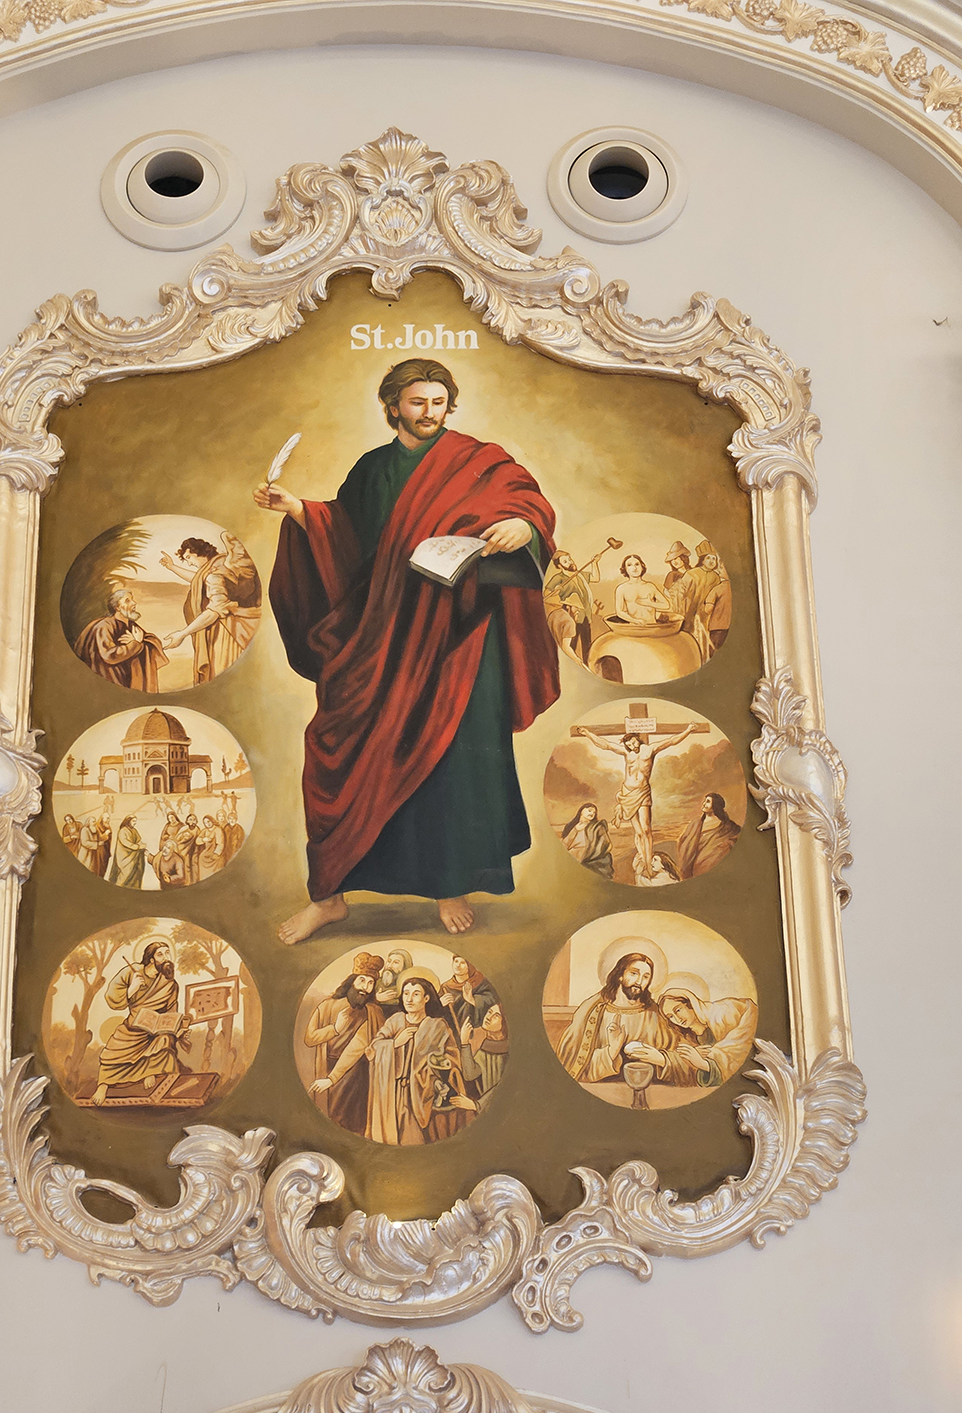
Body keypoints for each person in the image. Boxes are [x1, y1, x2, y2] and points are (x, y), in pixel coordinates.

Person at [256, 358, 560, 943]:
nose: (429, 413)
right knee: (338, 750)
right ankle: (330, 898)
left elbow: (528, 505)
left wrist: (523, 528)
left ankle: (450, 885)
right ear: (393, 406)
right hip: (383, 630)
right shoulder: (373, 468)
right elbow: (345, 535)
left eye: (438, 402)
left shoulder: (479, 460)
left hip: (460, 635)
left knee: (450, 759)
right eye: (418, 402)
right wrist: (299, 511)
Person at [312, 973, 476, 1144]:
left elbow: (452, 1060)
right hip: (390, 1094)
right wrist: (395, 1043)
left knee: (414, 1141)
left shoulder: (437, 1026)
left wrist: (435, 1075)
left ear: (426, 998)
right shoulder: (395, 1021)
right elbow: (372, 1050)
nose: (409, 999)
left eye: (416, 994)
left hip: (420, 1096)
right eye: (406, 993)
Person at [574, 723, 698, 881]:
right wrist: (587, 733)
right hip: (628, 793)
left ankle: (648, 862)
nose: (632, 746)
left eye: (633, 742)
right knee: (638, 832)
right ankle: (644, 862)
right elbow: (605, 745)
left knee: (646, 829)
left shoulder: (651, 749)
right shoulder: (627, 753)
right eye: (629, 745)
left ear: (637, 739)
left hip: (643, 792)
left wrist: (688, 730)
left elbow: (671, 741)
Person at [557, 952, 685, 1086]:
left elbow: (685, 1058)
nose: (639, 981)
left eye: (646, 977)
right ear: (620, 975)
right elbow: (574, 1067)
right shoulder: (592, 1011)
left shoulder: (655, 1014)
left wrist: (662, 1059)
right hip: (603, 1089)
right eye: (634, 973)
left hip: (651, 1088)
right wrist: (611, 1051)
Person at [91, 942, 190, 1105]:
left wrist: (177, 1030)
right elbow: (112, 1000)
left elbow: (171, 1011)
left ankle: (150, 1071)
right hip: (132, 1028)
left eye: (168, 953)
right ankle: (103, 1086)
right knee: (111, 1055)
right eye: (160, 954)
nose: (166, 958)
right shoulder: (131, 972)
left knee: (166, 1041)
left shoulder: (170, 984)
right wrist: (132, 988)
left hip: (156, 1032)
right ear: (151, 959)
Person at [302, 952, 386, 1134]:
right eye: (362, 981)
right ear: (352, 981)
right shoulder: (326, 1006)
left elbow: (359, 1046)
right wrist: (335, 1029)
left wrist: (332, 1079)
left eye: (370, 983)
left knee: (354, 1122)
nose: (365, 988)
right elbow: (310, 1038)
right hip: (327, 1068)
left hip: (358, 1074)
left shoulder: (374, 1012)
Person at [160, 537, 261, 682]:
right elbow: (199, 579)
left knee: (220, 674)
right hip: (229, 629)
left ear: (199, 552)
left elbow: (214, 611)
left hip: (226, 633)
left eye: (189, 557)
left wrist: (182, 634)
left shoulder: (214, 573)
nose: (189, 563)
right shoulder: (219, 564)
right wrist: (172, 567)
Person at [657, 985, 757, 1088]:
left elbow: (740, 1045)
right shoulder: (689, 1039)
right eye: (671, 1016)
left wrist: (703, 1063)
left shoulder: (723, 1013)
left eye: (678, 1010)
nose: (678, 1019)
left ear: (690, 1003)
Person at [72, 587, 168, 690]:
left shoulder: (131, 625)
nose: (134, 603)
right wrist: (135, 643)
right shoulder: (105, 626)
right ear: (117, 607)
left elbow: (149, 642)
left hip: (126, 680)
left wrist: (139, 643)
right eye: (127, 601)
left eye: (132, 599)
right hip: (110, 680)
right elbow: (110, 655)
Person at [440, 954, 501, 1096]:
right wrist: (440, 1004)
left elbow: (494, 1003)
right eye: (456, 961)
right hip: (453, 1034)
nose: (458, 965)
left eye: (463, 962)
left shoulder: (481, 983)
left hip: (475, 1034)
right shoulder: (446, 987)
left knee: (473, 1069)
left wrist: (473, 1000)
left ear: (470, 966)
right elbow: (437, 1015)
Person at [669, 543, 729, 661]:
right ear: (702, 560)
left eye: (714, 559)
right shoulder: (691, 574)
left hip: (708, 617)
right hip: (689, 614)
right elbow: (679, 593)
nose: (711, 561)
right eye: (708, 558)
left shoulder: (716, 577)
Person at [544, 549, 599, 662]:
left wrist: (594, 563)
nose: (570, 562)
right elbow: (546, 594)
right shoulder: (559, 578)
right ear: (560, 566)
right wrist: (556, 589)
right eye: (565, 561)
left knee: (587, 644)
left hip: (585, 614)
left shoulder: (580, 575)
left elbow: (596, 578)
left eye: (569, 559)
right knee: (571, 644)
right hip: (571, 614)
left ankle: (587, 666)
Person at [677, 792, 741, 880]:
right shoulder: (695, 823)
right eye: (704, 801)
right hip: (691, 863)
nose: (704, 803)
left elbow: (737, 837)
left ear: (715, 805)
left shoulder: (726, 826)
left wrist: (723, 847)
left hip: (708, 865)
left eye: (708, 801)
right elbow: (683, 840)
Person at [462, 1001, 509, 1103]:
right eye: (489, 1012)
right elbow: (470, 1074)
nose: (488, 1017)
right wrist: (464, 1043)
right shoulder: (487, 1044)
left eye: (496, 1016)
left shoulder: (508, 1049)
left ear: (505, 1023)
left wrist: (477, 1105)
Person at [611, 555, 677, 625]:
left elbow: (666, 605)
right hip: (634, 627)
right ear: (625, 569)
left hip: (652, 626)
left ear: (642, 567)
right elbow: (619, 612)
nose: (634, 568)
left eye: (637, 564)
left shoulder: (650, 586)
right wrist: (635, 621)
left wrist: (649, 603)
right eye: (629, 565)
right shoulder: (621, 589)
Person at [560, 802, 614, 879]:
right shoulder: (571, 826)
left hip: (589, 859)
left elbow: (607, 845)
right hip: (572, 858)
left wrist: (593, 854)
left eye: (594, 812)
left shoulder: (597, 827)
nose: (592, 813)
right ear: (581, 811)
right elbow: (565, 844)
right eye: (589, 810)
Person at [107, 816, 146, 888]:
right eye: (133, 821)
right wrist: (137, 847)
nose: (135, 823)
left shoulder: (134, 830)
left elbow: (138, 841)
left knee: (136, 871)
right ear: (128, 821)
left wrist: (142, 845)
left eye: (135, 821)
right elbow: (125, 842)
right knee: (126, 873)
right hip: (125, 857)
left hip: (133, 855)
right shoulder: (123, 831)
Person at [196, 815, 226, 880]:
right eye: (205, 823)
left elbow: (220, 843)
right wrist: (203, 839)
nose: (207, 824)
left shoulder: (217, 830)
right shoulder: (204, 831)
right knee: (201, 857)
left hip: (215, 852)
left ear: (212, 821)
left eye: (208, 821)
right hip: (207, 852)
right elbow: (197, 841)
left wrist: (216, 853)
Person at [174, 813, 201, 884]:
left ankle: (195, 882)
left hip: (194, 850)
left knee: (194, 866)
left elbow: (199, 839)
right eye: (190, 819)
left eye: (194, 819)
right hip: (184, 850)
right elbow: (177, 839)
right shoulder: (184, 828)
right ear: (187, 821)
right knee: (186, 866)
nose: (192, 821)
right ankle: (187, 882)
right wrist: (183, 836)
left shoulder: (197, 829)